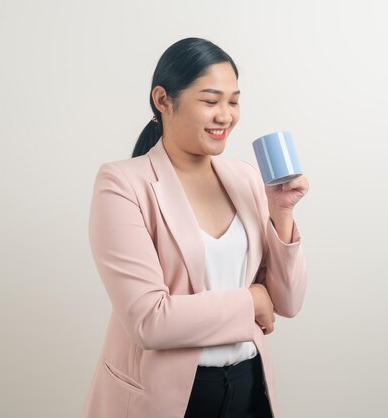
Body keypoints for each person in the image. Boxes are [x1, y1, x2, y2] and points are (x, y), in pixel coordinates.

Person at [80, 37, 309, 418]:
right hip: (167, 399)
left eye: (233, 101)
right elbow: (149, 320)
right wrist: (249, 301)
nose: (226, 115)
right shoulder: (122, 184)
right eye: (210, 101)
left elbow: (287, 303)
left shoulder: (246, 178)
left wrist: (280, 215)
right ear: (163, 99)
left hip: (249, 389)